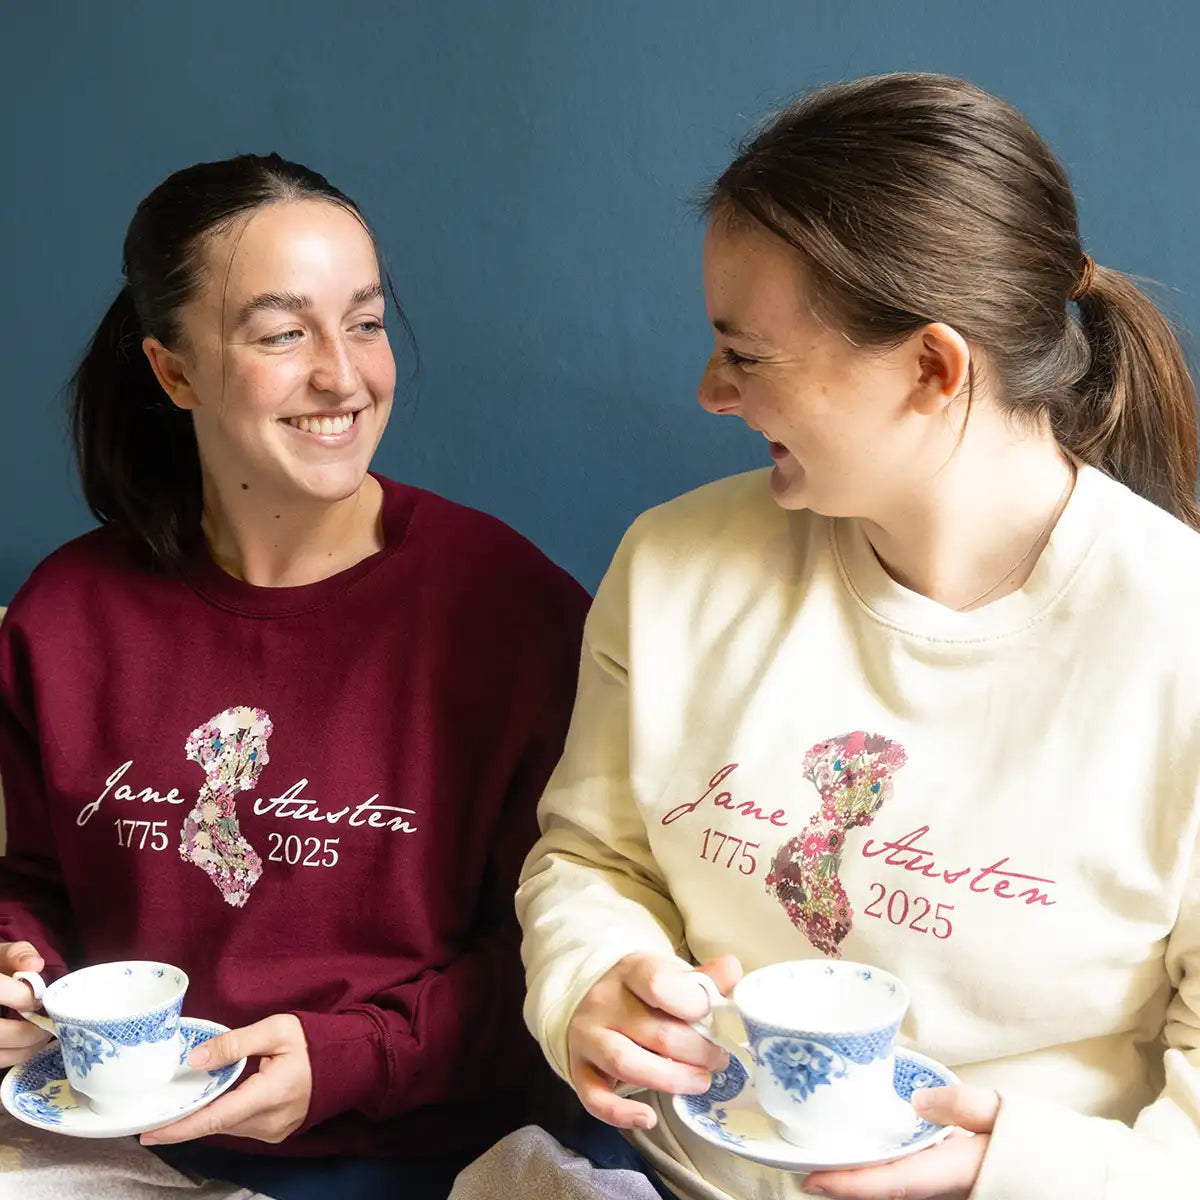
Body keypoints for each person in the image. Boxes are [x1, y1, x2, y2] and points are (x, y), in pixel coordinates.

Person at [516, 74, 1200, 1200]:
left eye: (747, 354)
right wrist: (593, 977)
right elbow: (593, 859)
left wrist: (1013, 1171)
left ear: (933, 368)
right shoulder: (673, 564)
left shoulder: (1175, 635)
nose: (711, 391)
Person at [0, 153, 589, 1200]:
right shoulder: (65, 615)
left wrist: (356, 1056)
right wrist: (14, 964)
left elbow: (564, 952)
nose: (344, 376)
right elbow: (33, 886)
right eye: (283, 334)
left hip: (432, 1157)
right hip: (121, 1145)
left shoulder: (512, 610)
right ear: (174, 374)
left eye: (364, 322)